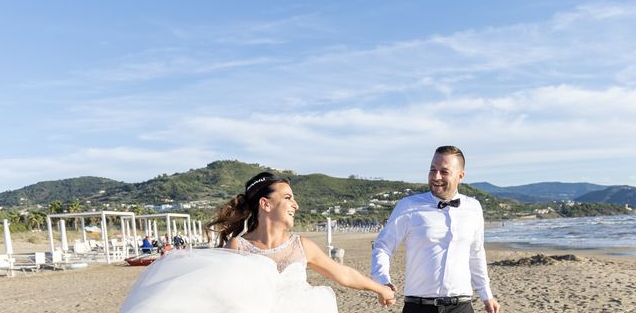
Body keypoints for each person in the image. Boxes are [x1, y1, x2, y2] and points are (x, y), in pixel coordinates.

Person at [121, 172, 395, 312]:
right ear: (265, 204)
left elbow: (342, 273)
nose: (295, 204)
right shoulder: (237, 248)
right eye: (287, 197)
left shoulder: (301, 246)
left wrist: (380, 289)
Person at [371, 146, 501, 313]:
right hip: (418, 307)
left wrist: (486, 295)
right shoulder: (408, 206)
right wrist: (383, 282)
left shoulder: (473, 207)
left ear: (460, 176)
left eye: (444, 172)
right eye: (433, 169)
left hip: (461, 306)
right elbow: (382, 246)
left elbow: (476, 253)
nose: (436, 176)